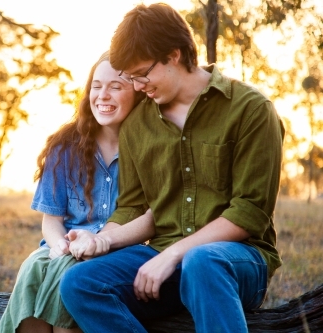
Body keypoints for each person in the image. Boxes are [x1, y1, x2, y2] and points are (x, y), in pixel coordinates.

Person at [60, 3, 285, 333]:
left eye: (141, 74)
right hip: (162, 261)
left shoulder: (251, 110)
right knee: (80, 283)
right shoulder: (138, 125)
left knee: (202, 261)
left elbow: (250, 212)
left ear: (175, 54)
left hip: (236, 261)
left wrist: (174, 255)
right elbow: (133, 207)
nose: (138, 86)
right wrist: (101, 240)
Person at [0, 51, 152, 333]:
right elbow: (52, 220)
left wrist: (100, 242)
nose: (103, 95)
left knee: (72, 273)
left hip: (117, 251)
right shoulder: (65, 146)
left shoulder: (149, 148)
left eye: (115, 86)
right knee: (35, 265)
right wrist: (59, 245)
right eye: (96, 85)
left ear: (138, 94)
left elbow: (156, 217)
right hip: (66, 246)